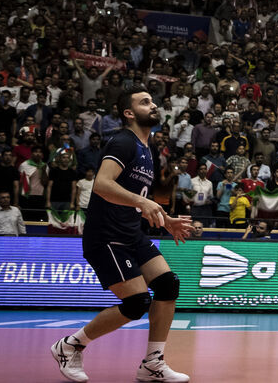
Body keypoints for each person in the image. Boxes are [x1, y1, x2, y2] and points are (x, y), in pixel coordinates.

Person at [50, 87, 194, 383]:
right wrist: (143, 202)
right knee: (136, 303)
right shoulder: (123, 141)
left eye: (153, 101)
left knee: (168, 285)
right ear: (129, 113)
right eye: (144, 102)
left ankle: (152, 363)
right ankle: (70, 345)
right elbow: (102, 184)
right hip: (106, 235)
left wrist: (164, 219)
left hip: (132, 233)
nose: (152, 105)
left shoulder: (148, 149)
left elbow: (136, 195)